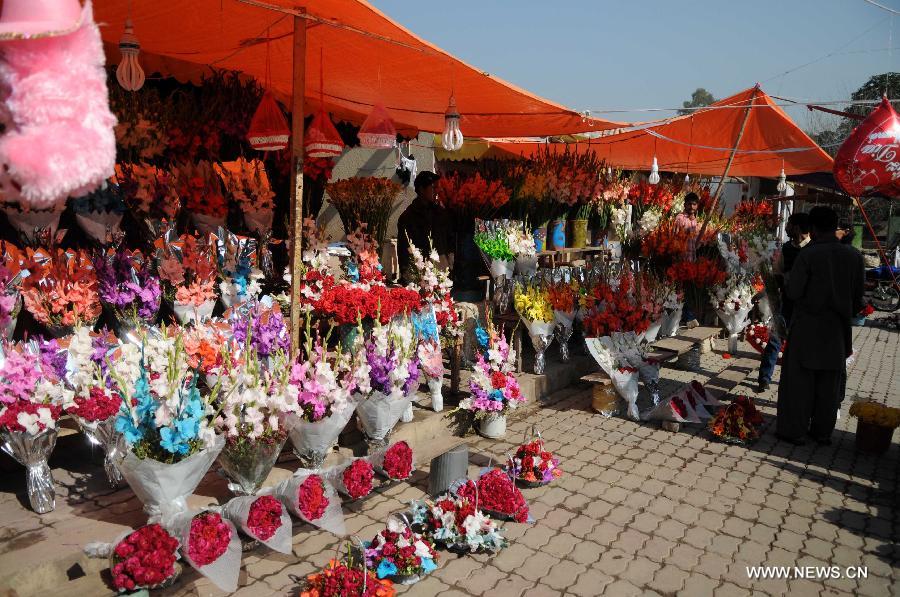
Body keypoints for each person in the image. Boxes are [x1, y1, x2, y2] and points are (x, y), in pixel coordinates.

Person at [776, 206, 864, 445]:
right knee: (829, 385)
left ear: (812, 230)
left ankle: (793, 431)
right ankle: (822, 432)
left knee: (799, 382)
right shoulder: (854, 256)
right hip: (838, 330)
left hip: (807, 327)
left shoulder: (809, 255)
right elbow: (858, 300)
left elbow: (794, 291)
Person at [757, 212, 810, 392]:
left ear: (796, 227)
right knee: (775, 340)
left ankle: (795, 382)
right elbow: (778, 274)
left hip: (806, 309)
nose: (786, 228)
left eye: (789, 224)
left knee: (799, 346)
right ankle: (764, 377)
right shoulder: (787, 249)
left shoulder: (812, 249)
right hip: (787, 303)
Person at [396, 171, 454, 283]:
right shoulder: (408, 216)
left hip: (440, 267)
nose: (437, 191)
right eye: (433, 187)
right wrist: (406, 273)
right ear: (421, 189)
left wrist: (450, 261)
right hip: (418, 269)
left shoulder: (441, 213)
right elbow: (403, 249)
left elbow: (449, 239)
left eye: (437, 187)